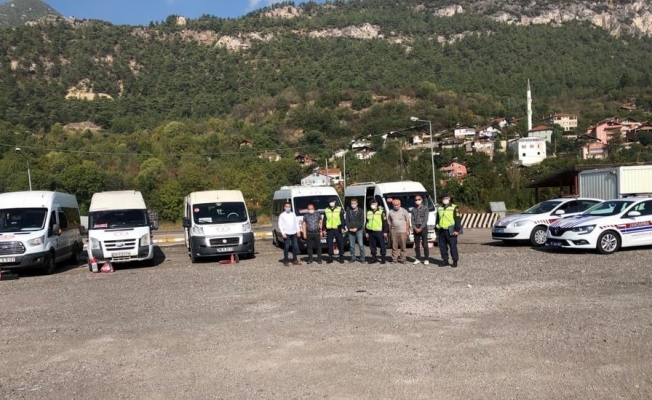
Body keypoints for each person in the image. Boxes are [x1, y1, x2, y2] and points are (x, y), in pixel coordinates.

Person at [436, 192, 462, 268]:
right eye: (443, 198)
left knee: (452, 246)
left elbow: (457, 219)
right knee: (442, 246)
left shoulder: (455, 207)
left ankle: (455, 261)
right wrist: (436, 229)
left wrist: (457, 230)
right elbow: (437, 219)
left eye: (446, 198)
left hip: (451, 230)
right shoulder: (439, 208)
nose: (445, 199)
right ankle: (445, 260)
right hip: (441, 230)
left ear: (449, 198)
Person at [365, 199, 388, 264]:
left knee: (382, 245)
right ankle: (374, 257)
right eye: (371, 204)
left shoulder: (381, 212)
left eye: (374, 204)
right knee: (372, 245)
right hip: (371, 231)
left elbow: (385, 222)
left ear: (377, 204)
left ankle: (383, 258)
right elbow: (367, 222)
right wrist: (366, 232)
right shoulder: (368, 212)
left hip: (379, 231)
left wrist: (385, 231)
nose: (372, 205)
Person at [387, 199, 410, 263]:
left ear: (400, 204)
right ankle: (394, 258)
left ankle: (403, 258)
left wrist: (407, 230)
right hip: (394, 231)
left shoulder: (404, 211)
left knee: (403, 246)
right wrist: (389, 231)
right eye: (394, 205)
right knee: (394, 246)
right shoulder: (391, 212)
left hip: (403, 231)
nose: (396, 206)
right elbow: (389, 222)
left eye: (397, 205)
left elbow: (407, 221)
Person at [278, 202, 301, 266]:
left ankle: (295, 260)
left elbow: (296, 223)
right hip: (286, 234)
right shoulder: (282, 215)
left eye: (289, 206)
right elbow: (280, 225)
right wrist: (283, 233)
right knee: (286, 247)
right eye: (287, 206)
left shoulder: (293, 214)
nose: (288, 208)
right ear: (284, 207)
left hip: (294, 233)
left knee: (295, 247)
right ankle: (286, 260)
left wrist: (298, 231)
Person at [324, 197, 346, 264]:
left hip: (338, 228)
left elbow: (342, 219)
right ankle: (330, 257)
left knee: (340, 242)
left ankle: (341, 257)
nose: (331, 203)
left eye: (332, 202)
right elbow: (324, 220)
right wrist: (323, 229)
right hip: (329, 229)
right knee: (329, 243)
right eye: (330, 202)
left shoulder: (339, 209)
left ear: (335, 202)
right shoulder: (326, 210)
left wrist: (343, 227)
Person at [411, 194, 430, 265]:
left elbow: (425, 219)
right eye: (416, 200)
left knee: (425, 244)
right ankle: (418, 258)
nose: (417, 201)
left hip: (423, 227)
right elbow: (412, 219)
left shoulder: (425, 208)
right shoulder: (413, 209)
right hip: (415, 227)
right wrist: (414, 227)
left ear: (422, 200)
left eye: (419, 199)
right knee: (416, 245)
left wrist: (421, 228)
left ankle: (426, 259)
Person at [345, 198, 365, 263]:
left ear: (357, 204)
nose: (353, 205)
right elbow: (347, 220)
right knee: (351, 245)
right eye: (352, 203)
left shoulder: (361, 211)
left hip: (359, 230)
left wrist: (356, 228)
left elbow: (362, 221)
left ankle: (362, 258)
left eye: (354, 203)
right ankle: (352, 257)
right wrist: (349, 228)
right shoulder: (348, 210)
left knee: (361, 245)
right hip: (350, 230)